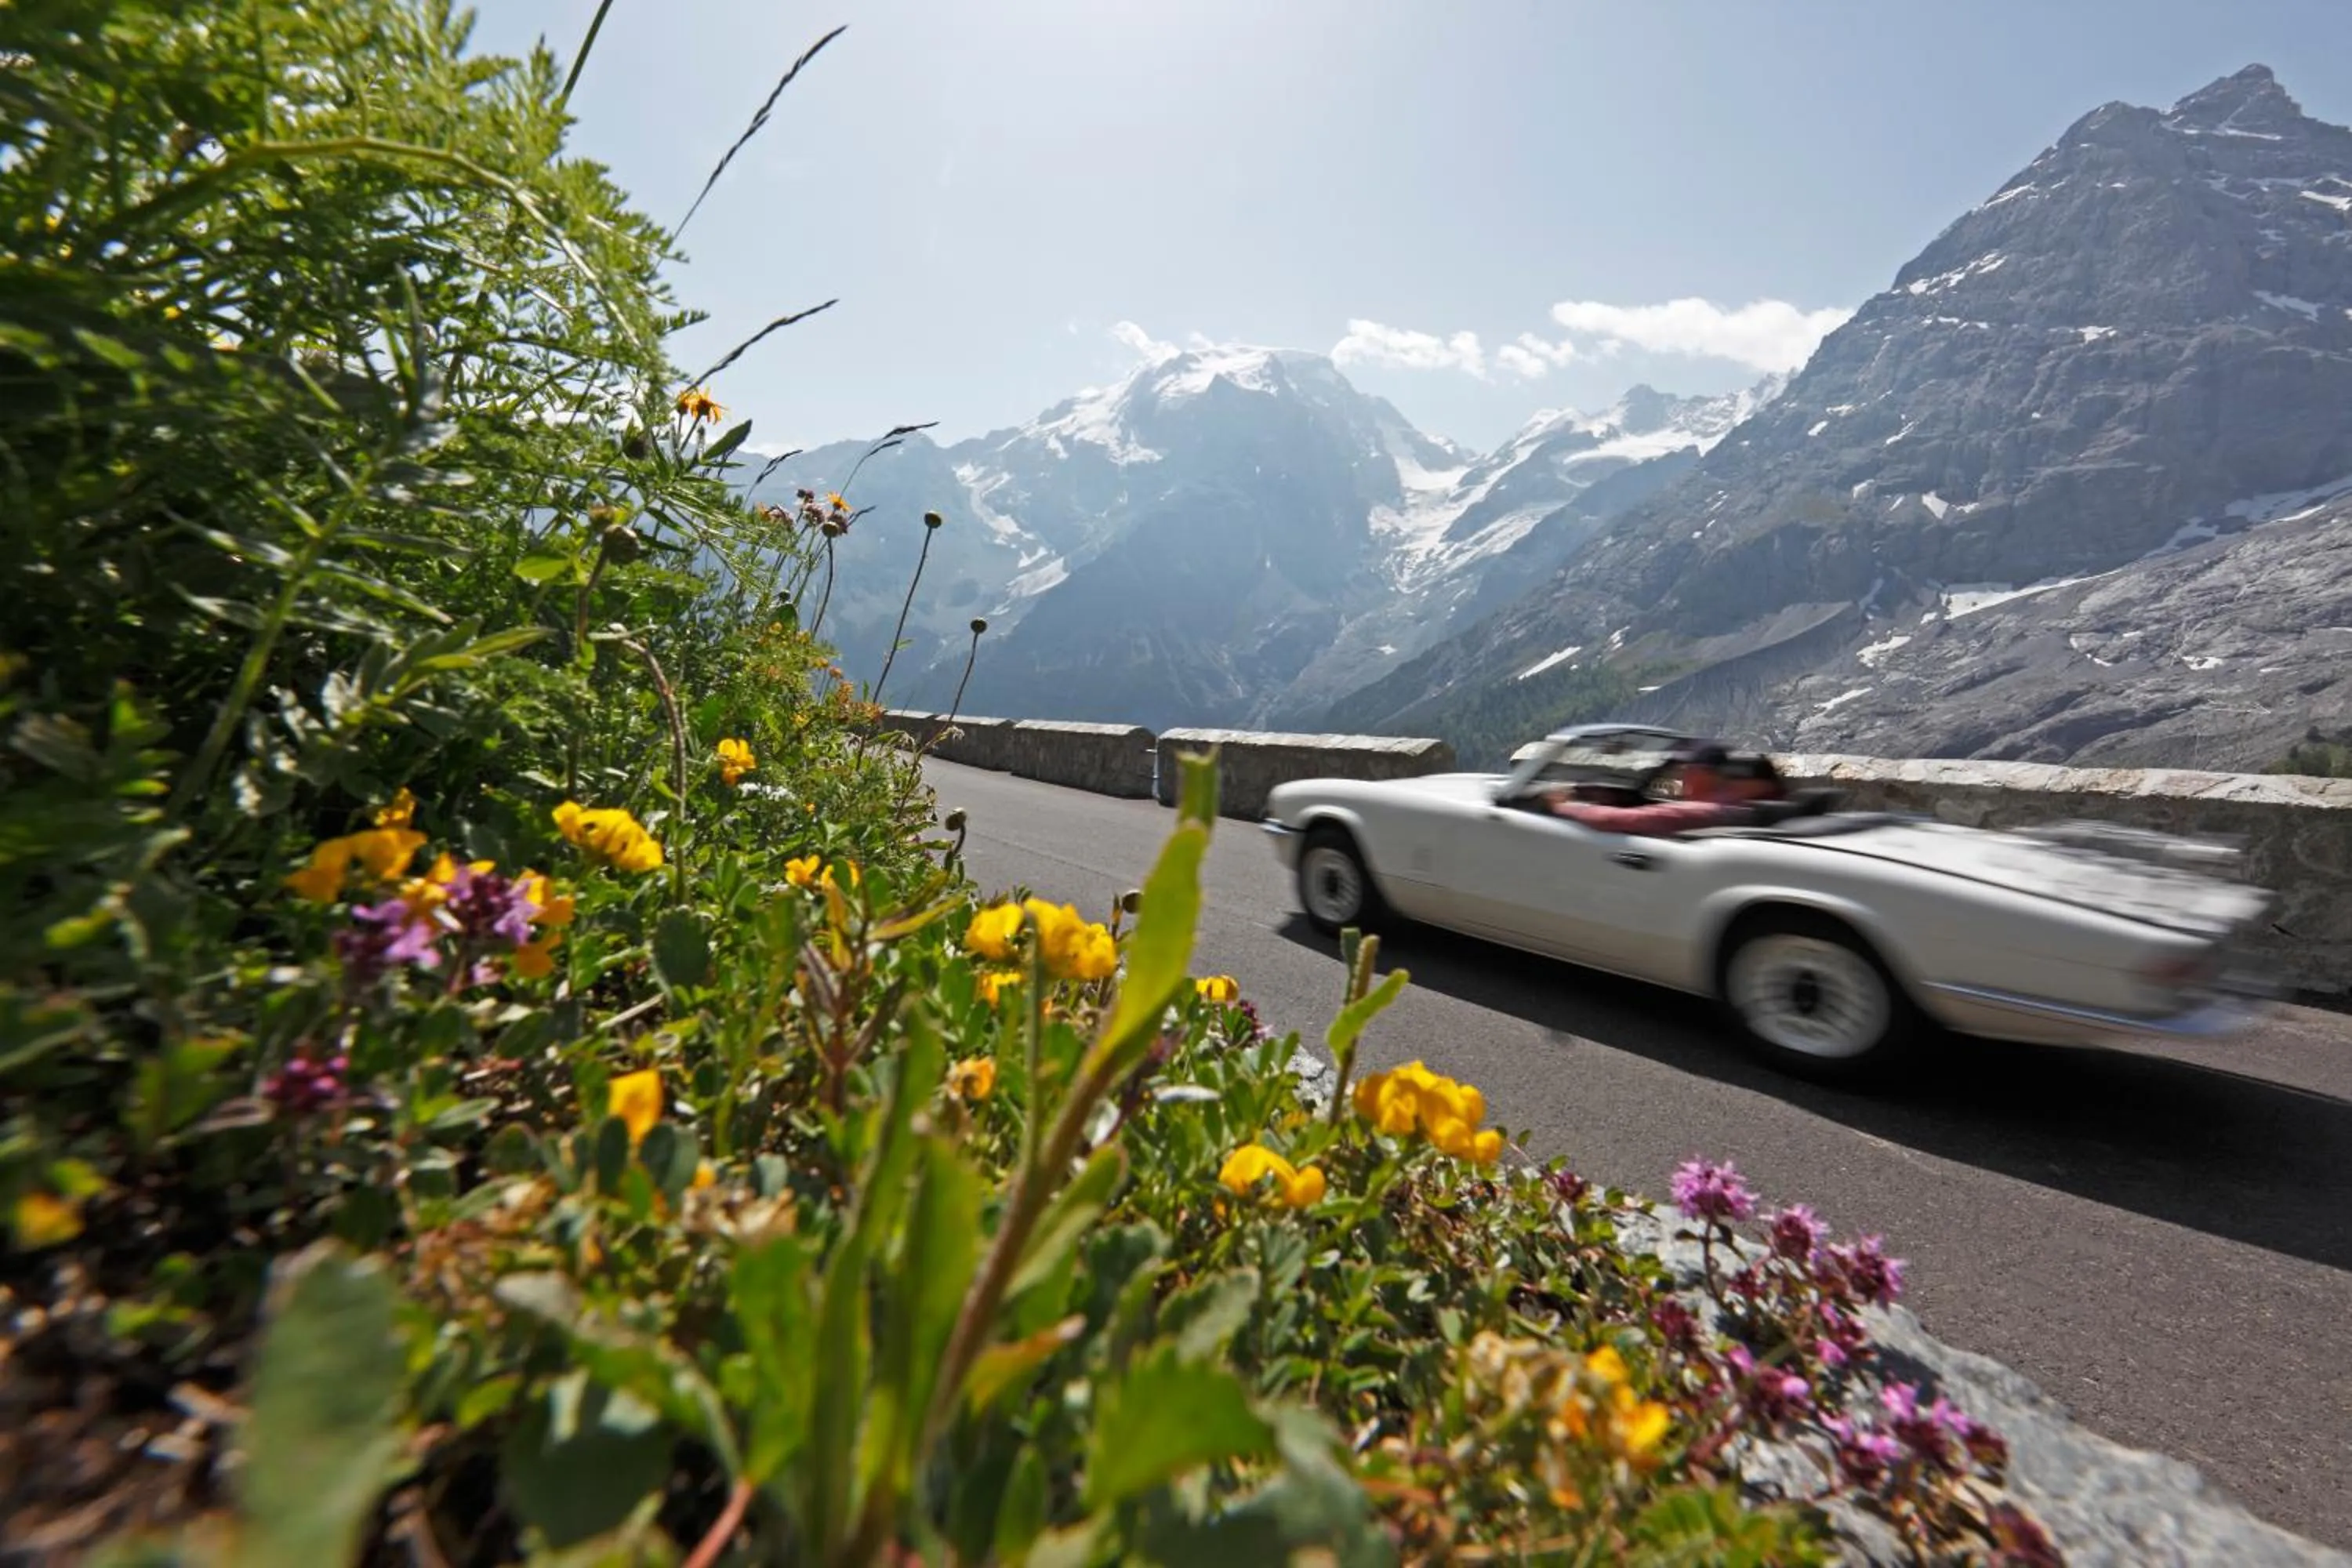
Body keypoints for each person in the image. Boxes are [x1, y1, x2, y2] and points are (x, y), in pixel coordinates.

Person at [1540, 743, 1783, 837]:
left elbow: (1631, 819)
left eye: (1688, 769)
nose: (1682, 775)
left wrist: (1564, 806)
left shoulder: (1715, 810)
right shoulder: (1753, 803)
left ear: (1707, 773)